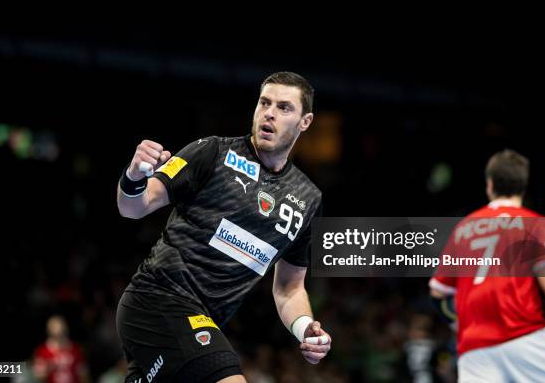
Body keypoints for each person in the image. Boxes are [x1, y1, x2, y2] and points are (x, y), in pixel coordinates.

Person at [116, 72, 331, 383]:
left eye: (284, 107)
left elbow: (289, 288)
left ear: (305, 121)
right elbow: (133, 207)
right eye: (264, 103)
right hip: (159, 299)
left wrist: (304, 329)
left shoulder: (308, 199)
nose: (269, 112)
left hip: (203, 322)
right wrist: (134, 176)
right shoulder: (213, 153)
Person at [429, 149, 545, 382]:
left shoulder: (463, 229)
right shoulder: (534, 224)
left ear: (489, 185)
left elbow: (438, 292)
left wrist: (459, 325)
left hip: (474, 350)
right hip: (525, 336)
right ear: (523, 185)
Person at [33, 315, 89, 383]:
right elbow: (40, 378)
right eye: (55, 334)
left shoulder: (76, 349)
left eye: (61, 333)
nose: (59, 336)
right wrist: (49, 368)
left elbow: (83, 375)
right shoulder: (42, 352)